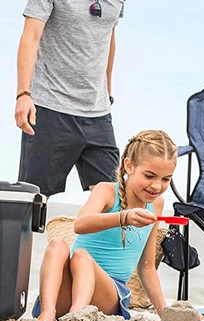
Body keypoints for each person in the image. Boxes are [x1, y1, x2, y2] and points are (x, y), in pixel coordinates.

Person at [32, 130, 177, 321]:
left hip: (109, 295)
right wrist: (123, 217)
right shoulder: (107, 191)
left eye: (165, 179)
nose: (157, 186)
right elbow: (80, 224)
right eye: (149, 176)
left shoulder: (156, 204)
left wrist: (165, 314)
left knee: (83, 257)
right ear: (129, 166)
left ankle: (78, 314)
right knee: (58, 245)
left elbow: (147, 267)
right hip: (72, 288)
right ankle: (47, 312)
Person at [14, 0, 125, 197]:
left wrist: (107, 91)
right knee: (35, 199)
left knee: (113, 197)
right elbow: (30, 37)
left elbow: (109, 35)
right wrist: (23, 94)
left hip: (98, 114)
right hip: (50, 107)